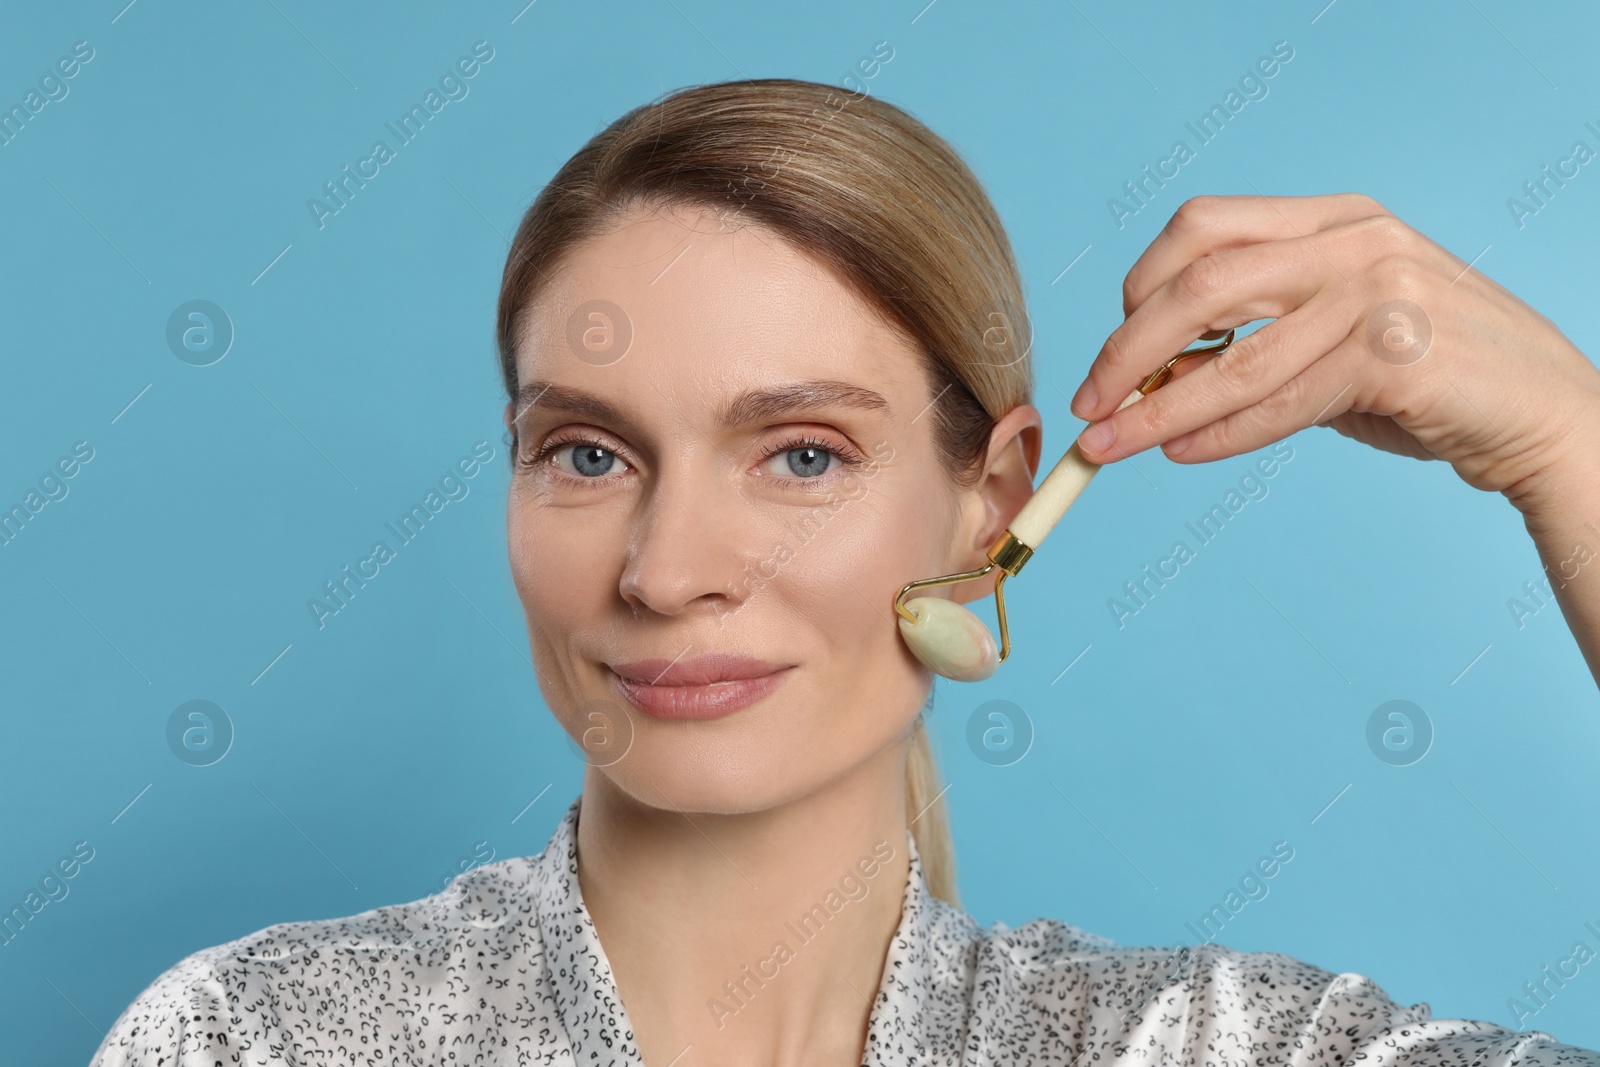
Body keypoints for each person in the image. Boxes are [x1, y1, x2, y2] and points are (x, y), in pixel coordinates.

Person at [89, 77, 1600, 1067]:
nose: (670, 570)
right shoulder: (260, 1038)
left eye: (802, 454)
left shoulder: (1204, 1049)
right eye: (590, 455)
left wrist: (1567, 445)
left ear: (991, 502)